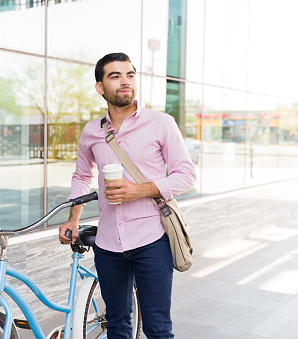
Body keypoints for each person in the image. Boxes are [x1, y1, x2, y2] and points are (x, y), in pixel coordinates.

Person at [58, 52, 196, 338]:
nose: (125, 81)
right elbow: (82, 176)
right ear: (100, 88)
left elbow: (186, 176)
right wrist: (73, 219)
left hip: (152, 239)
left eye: (130, 75)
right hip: (108, 244)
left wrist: (140, 190)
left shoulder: (161, 123)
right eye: (115, 76)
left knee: (158, 328)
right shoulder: (91, 132)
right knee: (117, 324)